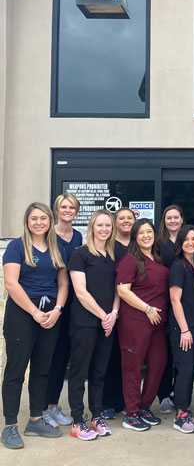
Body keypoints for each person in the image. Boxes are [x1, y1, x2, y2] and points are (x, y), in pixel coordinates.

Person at [1, 203, 68, 450]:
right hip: (23, 313)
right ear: (27, 221)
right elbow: (11, 283)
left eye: (43, 218)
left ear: (50, 220)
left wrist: (57, 310)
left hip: (50, 313)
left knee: (42, 369)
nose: (38, 222)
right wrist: (34, 312)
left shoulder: (57, 248)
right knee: (16, 371)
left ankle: (36, 420)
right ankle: (9, 426)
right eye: (34, 218)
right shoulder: (17, 247)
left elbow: (63, 283)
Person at [67, 209, 119, 440]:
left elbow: (119, 288)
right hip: (85, 322)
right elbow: (80, 292)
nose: (104, 229)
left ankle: (96, 415)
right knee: (80, 372)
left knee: (99, 371)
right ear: (92, 227)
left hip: (107, 323)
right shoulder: (80, 254)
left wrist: (114, 314)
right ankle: (78, 421)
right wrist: (103, 315)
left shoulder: (113, 255)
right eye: (100, 225)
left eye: (108, 225)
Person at [116, 219, 169, 432]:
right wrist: (147, 309)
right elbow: (123, 290)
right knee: (133, 366)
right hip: (136, 320)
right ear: (135, 237)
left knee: (158, 363)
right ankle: (131, 413)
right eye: (141, 233)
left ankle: (144, 406)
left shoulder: (157, 258)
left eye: (149, 232)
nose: (146, 236)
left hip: (158, 322)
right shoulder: (130, 260)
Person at [43, 193, 83, 428]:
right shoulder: (48, 235)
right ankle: (42, 408)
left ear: (76, 211)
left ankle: (52, 406)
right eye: (63, 207)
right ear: (56, 210)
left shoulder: (78, 236)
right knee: (48, 356)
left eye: (71, 207)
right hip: (52, 301)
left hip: (72, 304)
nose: (67, 210)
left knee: (62, 357)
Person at [168, 225, 194, 434]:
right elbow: (175, 299)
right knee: (185, 369)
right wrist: (184, 329)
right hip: (182, 328)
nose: (190, 243)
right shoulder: (178, 266)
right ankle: (180, 415)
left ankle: (186, 408)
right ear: (180, 243)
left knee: (191, 370)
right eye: (186, 239)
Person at [101, 207, 136, 420]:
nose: (125, 221)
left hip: (132, 309)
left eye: (129, 218)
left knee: (127, 357)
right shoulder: (108, 245)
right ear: (115, 222)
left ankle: (124, 400)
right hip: (110, 308)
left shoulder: (138, 244)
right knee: (109, 356)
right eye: (121, 218)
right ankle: (107, 402)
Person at [157, 204, 184, 414]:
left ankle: (180, 392)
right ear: (164, 221)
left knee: (182, 352)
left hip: (186, 302)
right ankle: (164, 394)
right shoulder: (159, 243)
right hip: (164, 302)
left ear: (182, 219)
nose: (173, 221)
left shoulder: (190, 240)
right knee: (165, 352)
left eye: (176, 217)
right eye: (169, 218)